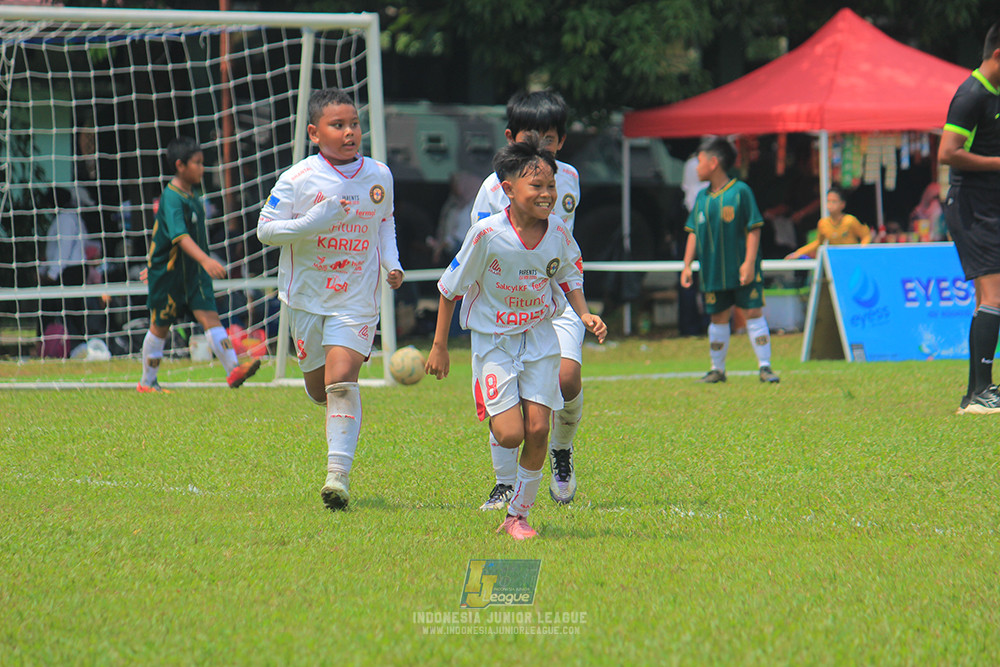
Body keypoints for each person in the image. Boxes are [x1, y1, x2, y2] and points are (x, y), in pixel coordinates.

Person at [426, 136, 606, 540]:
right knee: (510, 433)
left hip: (540, 339)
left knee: (539, 429)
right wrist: (439, 346)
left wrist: (584, 314)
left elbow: (569, 275)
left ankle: (517, 516)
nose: (546, 195)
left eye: (550, 187)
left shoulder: (558, 231)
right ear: (508, 189)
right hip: (494, 343)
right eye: (536, 187)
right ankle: (491, 407)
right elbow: (448, 288)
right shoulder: (486, 234)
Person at [257, 88, 404, 509]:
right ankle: (324, 393)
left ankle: (337, 476)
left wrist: (391, 263)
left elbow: (384, 223)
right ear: (314, 133)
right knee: (320, 388)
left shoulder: (379, 175)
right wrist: (311, 221)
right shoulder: (298, 179)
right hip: (306, 297)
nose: (349, 132)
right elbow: (265, 231)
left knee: (342, 380)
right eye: (338, 125)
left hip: (356, 297)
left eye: (354, 123)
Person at [468, 90, 586, 511]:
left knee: (566, 379)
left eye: (550, 138)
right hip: (507, 306)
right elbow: (481, 249)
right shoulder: (492, 188)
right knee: (512, 408)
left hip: (556, 297)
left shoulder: (569, 178)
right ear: (510, 137)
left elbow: (562, 243)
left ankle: (561, 451)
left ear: (561, 141)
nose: (542, 146)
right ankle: (504, 485)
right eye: (532, 136)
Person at [138, 136, 261, 393]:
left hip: (193, 274)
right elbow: (178, 237)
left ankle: (233, 370)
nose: (201, 168)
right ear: (180, 165)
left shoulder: (194, 196)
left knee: (211, 318)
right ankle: (147, 382)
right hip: (170, 275)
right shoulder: (171, 198)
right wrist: (205, 260)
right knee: (159, 327)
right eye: (197, 163)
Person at [680, 136, 780, 384]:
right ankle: (717, 369)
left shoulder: (741, 192)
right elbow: (693, 231)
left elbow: (754, 227)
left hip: (742, 268)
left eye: (699, 161)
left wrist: (748, 262)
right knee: (717, 316)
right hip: (712, 270)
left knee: (753, 312)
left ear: (714, 163)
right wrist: (686, 265)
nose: (696, 167)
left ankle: (765, 367)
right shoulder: (702, 198)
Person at [938, 22, 1000, 415]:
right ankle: (981, 392)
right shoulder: (971, 94)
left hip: (989, 206)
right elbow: (947, 151)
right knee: (995, 296)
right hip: (971, 206)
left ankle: (976, 392)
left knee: (987, 299)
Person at [784, 186, 871, 259]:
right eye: (828, 201)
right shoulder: (823, 223)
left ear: (842, 204)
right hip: (836, 260)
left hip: (852, 258)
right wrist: (798, 253)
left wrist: (861, 251)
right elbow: (818, 242)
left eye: (834, 201)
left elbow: (866, 235)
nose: (830, 205)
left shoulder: (850, 220)